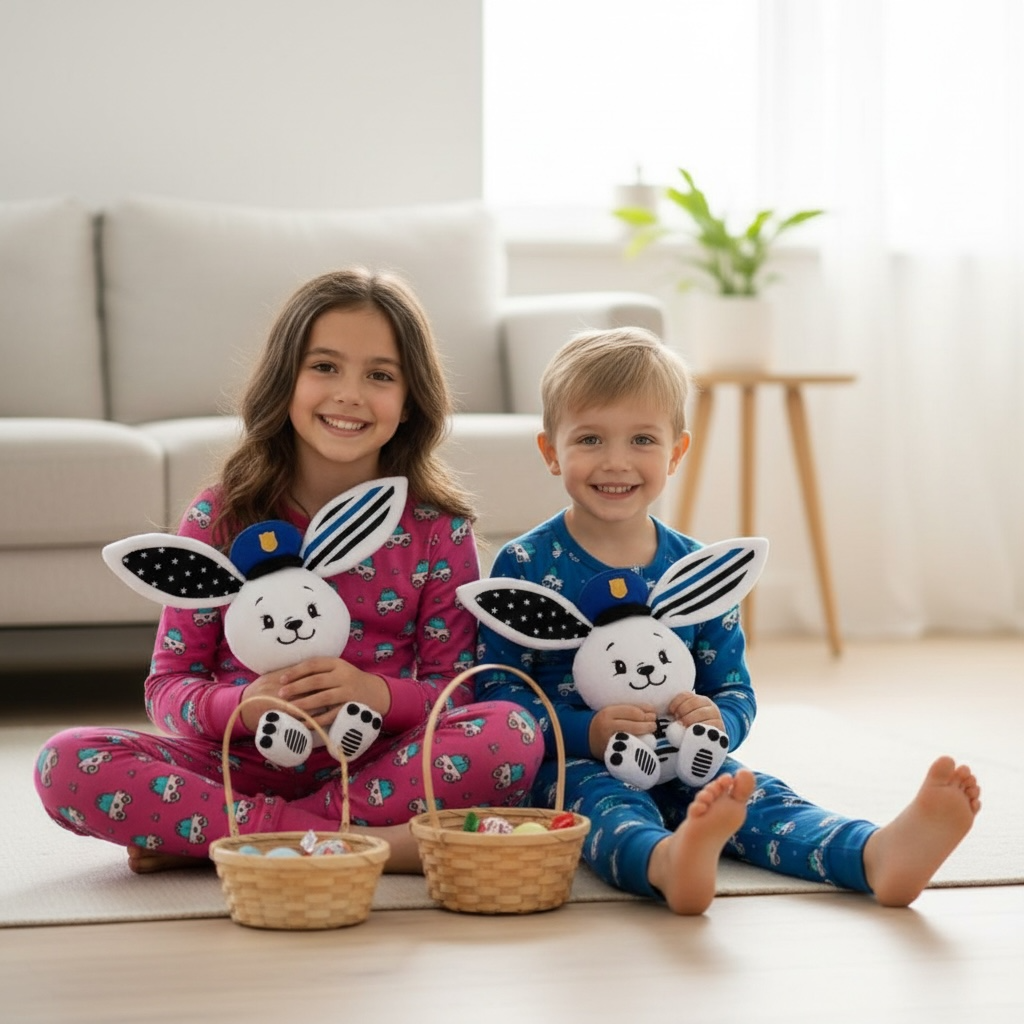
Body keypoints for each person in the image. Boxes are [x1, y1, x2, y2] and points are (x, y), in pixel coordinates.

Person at [34, 268, 543, 874]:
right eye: (324, 366)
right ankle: (373, 847)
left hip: (378, 764)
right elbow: (167, 688)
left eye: (380, 375)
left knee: (512, 733)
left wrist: (374, 693)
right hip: (236, 765)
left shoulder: (437, 529)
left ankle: (228, 839)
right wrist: (244, 704)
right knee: (66, 762)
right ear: (285, 379)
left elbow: (453, 688)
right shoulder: (221, 515)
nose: (349, 394)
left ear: (410, 402)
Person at [474, 326, 981, 914]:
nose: (616, 461)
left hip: (685, 755)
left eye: (643, 439)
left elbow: (733, 688)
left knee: (755, 798)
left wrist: (716, 722)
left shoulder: (697, 570)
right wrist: (584, 732)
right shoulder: (525, 564)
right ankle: (667, 862)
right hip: (575, 765)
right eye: (590, 439)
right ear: (550, 451)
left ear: (676, 452)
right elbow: (499, 693)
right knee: (604, 811)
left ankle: (873, 854)